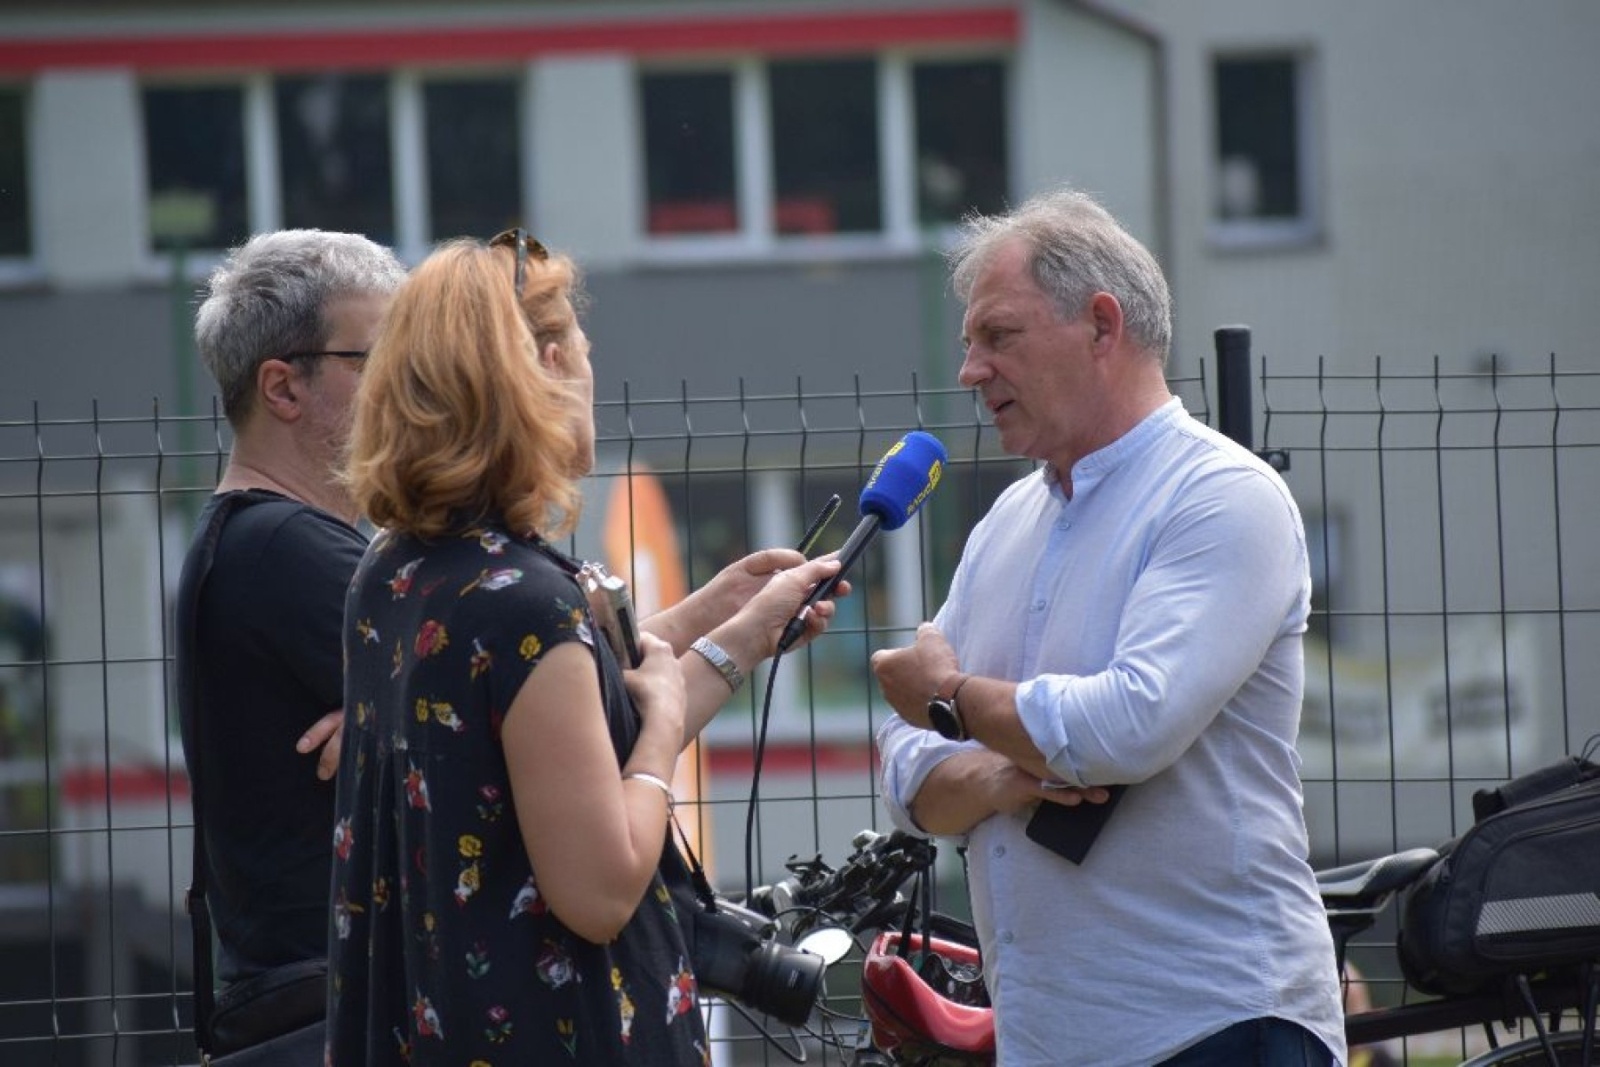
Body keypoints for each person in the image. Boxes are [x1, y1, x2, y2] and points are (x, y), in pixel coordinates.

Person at [327, 230, 846, 1064]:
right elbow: (602, 889)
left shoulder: (397, 571)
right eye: (584, 349)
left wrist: (729, 622)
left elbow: (568, 718)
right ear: (551, 361)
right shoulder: (527, 605)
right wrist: (664, 724)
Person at [871, 189, 1346, 1066]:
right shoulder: (1008, 522)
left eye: (998, 335)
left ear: (1101, 325)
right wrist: (1008, 771)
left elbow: (1126, 727)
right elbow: (905, 771)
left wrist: (951, 698)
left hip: (1215, 1027)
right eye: (970, 342)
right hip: (1051, 1038)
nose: (970, 369)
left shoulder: (1222, 496)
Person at [176, 231, 406, 1007]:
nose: (411, 383)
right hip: (335, 1004)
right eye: (379, 358)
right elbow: (548, 713)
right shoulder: (287, 547)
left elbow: (526, 685)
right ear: (282, 387)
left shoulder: (256, 539)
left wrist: (398, 714)